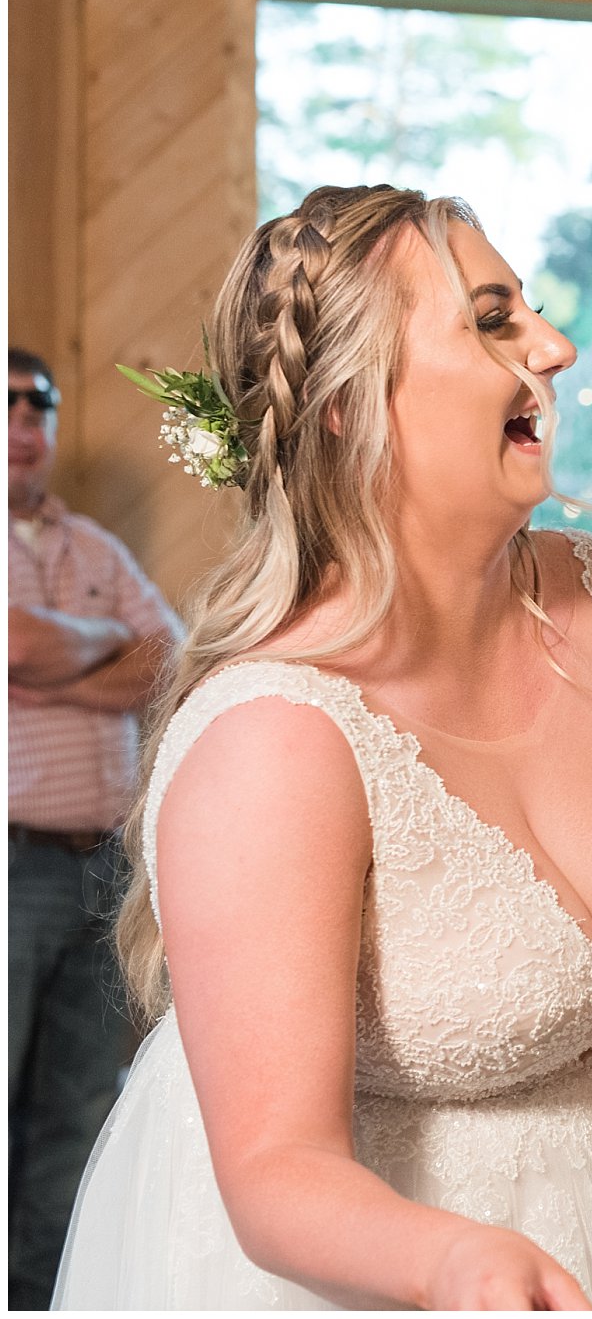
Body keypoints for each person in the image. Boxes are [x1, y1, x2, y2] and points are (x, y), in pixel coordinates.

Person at [52, 185, 592, 1309]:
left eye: (533, 313)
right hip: (374, 1266)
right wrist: (455, 1257)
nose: (554, 349)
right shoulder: (273, 739)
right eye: (493, 319)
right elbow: (274, 1172)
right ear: (349, 408)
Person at [9, 347, 182, 1308]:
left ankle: (38, 1301)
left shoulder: (92, 546)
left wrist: (58, 658)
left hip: (100, 869)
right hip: (10, 864)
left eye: (41, 403)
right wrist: (103, 642)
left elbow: (169, 659)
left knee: (76, 1107)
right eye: (6, 404)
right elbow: (14, 640)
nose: (24, 421)